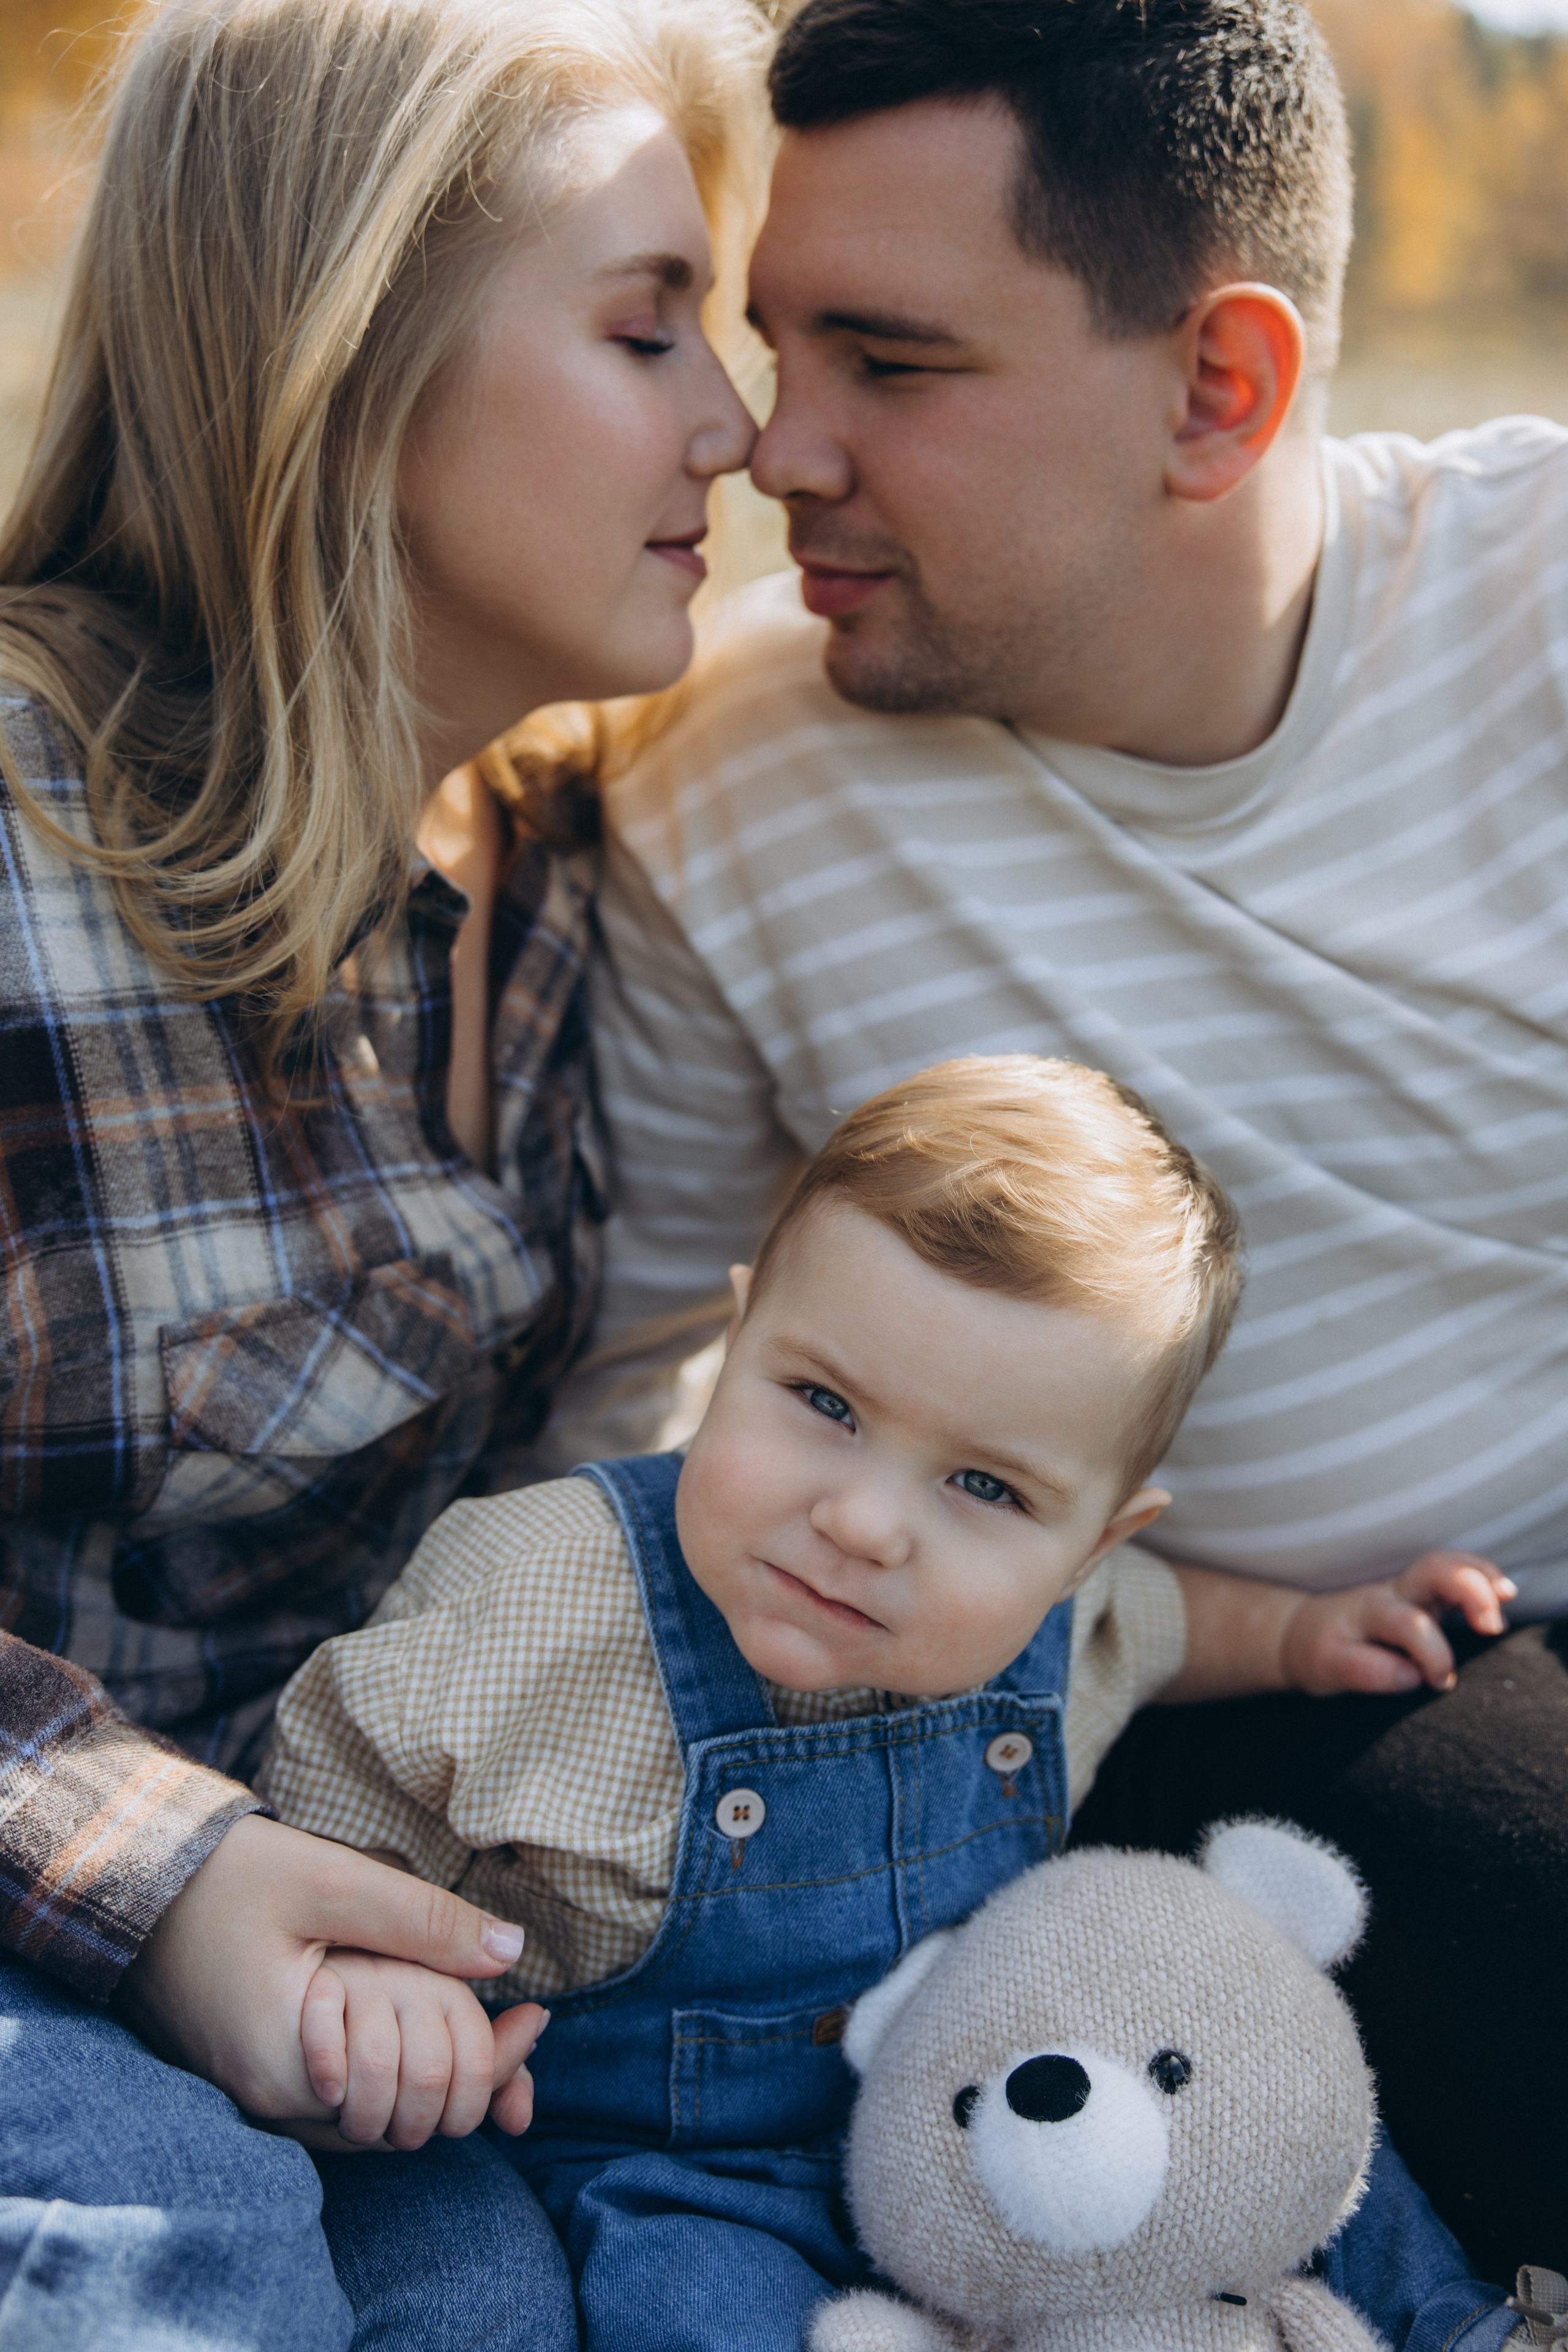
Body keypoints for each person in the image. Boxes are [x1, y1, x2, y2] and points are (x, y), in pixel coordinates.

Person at [533, 0, 1568, 2283]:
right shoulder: (739, 791)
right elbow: (615, 1393)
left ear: (1222, 388)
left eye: (890, 368)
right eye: (770, 345)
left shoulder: (1537, 615)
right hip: (1212, 1701)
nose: (772, 454)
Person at [0, 0, 760, 2340]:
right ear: (344, 355)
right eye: (649, 327)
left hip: (339, 1940)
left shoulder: (563, 858)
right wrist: (164, 1879)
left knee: (507, 2308)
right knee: (180, 2276)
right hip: (65, 1890)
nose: (737, 421)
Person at [263, 1054, 1516, 2352]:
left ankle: (1460, 2325)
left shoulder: (1064, 1616)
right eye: (820, 1403)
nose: (859, 1523)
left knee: (1273, 2102)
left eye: (983, 1487)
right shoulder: (539, 1596)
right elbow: (325, 1810)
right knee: (661, 2315)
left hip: (968, 2124)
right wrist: (367, 1976)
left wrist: (1309, 1634)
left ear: (1091, 1543)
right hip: (652, 2175)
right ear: (736, 1337)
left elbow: (1174, 1623)